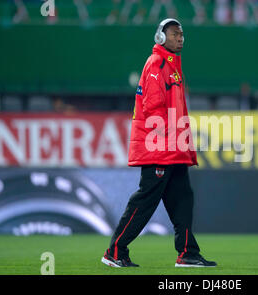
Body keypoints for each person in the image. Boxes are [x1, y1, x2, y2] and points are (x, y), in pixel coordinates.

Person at [101, 18, 217, 268]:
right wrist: (167, 141)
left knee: (183, 199)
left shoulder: (172, 66)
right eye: (175, 34)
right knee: (145, 201)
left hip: (172, 148)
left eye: (182, 34)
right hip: (159, 148)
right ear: (161, 38)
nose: (180, 38)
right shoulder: (157, 64)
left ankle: (187, 252)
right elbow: (152, 107)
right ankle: (115, 251)